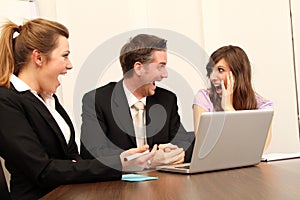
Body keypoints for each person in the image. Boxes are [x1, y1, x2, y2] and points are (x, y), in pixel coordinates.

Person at [0, 18, 157, 200]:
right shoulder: (6, 101)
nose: (70, 65)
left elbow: (72, 159)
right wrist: (117, 163)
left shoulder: (48, 98)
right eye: (65, 55)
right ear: (39, 58)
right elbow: (42, 170)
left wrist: (122, 162)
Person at [80, 34, 194, 168]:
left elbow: (182, 142)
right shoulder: (97, 100)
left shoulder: (167, 100)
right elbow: (92, 153)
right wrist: (148, 160)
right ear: (139, 68)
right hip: (117, 185)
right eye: (160, 67)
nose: (165, 74)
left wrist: (173, 152)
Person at [193, 45, 273, 150]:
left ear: (238, 73)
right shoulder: (204, 98)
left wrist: (229, 108)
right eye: (210, 71)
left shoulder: (263, 106)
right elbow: (203, 146)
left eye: (220, 70)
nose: (212, 77)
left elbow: (260, 148)